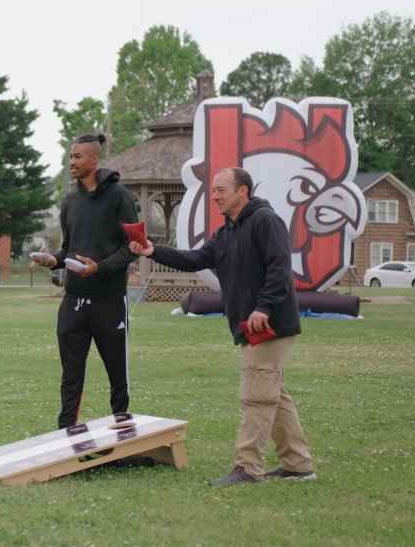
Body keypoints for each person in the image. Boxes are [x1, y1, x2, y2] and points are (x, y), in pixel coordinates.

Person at [129, 166, 315, 486]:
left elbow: (280, 269)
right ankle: (298, 465)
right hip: (252, 325)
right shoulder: (227, 231)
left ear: (243, 191)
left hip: (269, 324)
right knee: (273, 394)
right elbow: (195, 259)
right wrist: (152, 250)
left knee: (256, 397)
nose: (214, 196)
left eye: (220, 190)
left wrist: (263, 307)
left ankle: (248, 468)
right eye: (213, 190)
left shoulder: (265, 221)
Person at [33, 134, 138, 430]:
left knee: (117, 374)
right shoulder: (71, 200)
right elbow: (68, 248)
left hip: (109, 301)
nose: (72, 162)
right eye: (70, 157)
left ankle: (123, 434)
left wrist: (100, 268)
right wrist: (53, 260)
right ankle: (65, 432)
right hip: (74, 300)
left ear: (94, 159)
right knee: (70, 374)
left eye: (78, 157)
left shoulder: (119, 196)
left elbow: (131, 247)